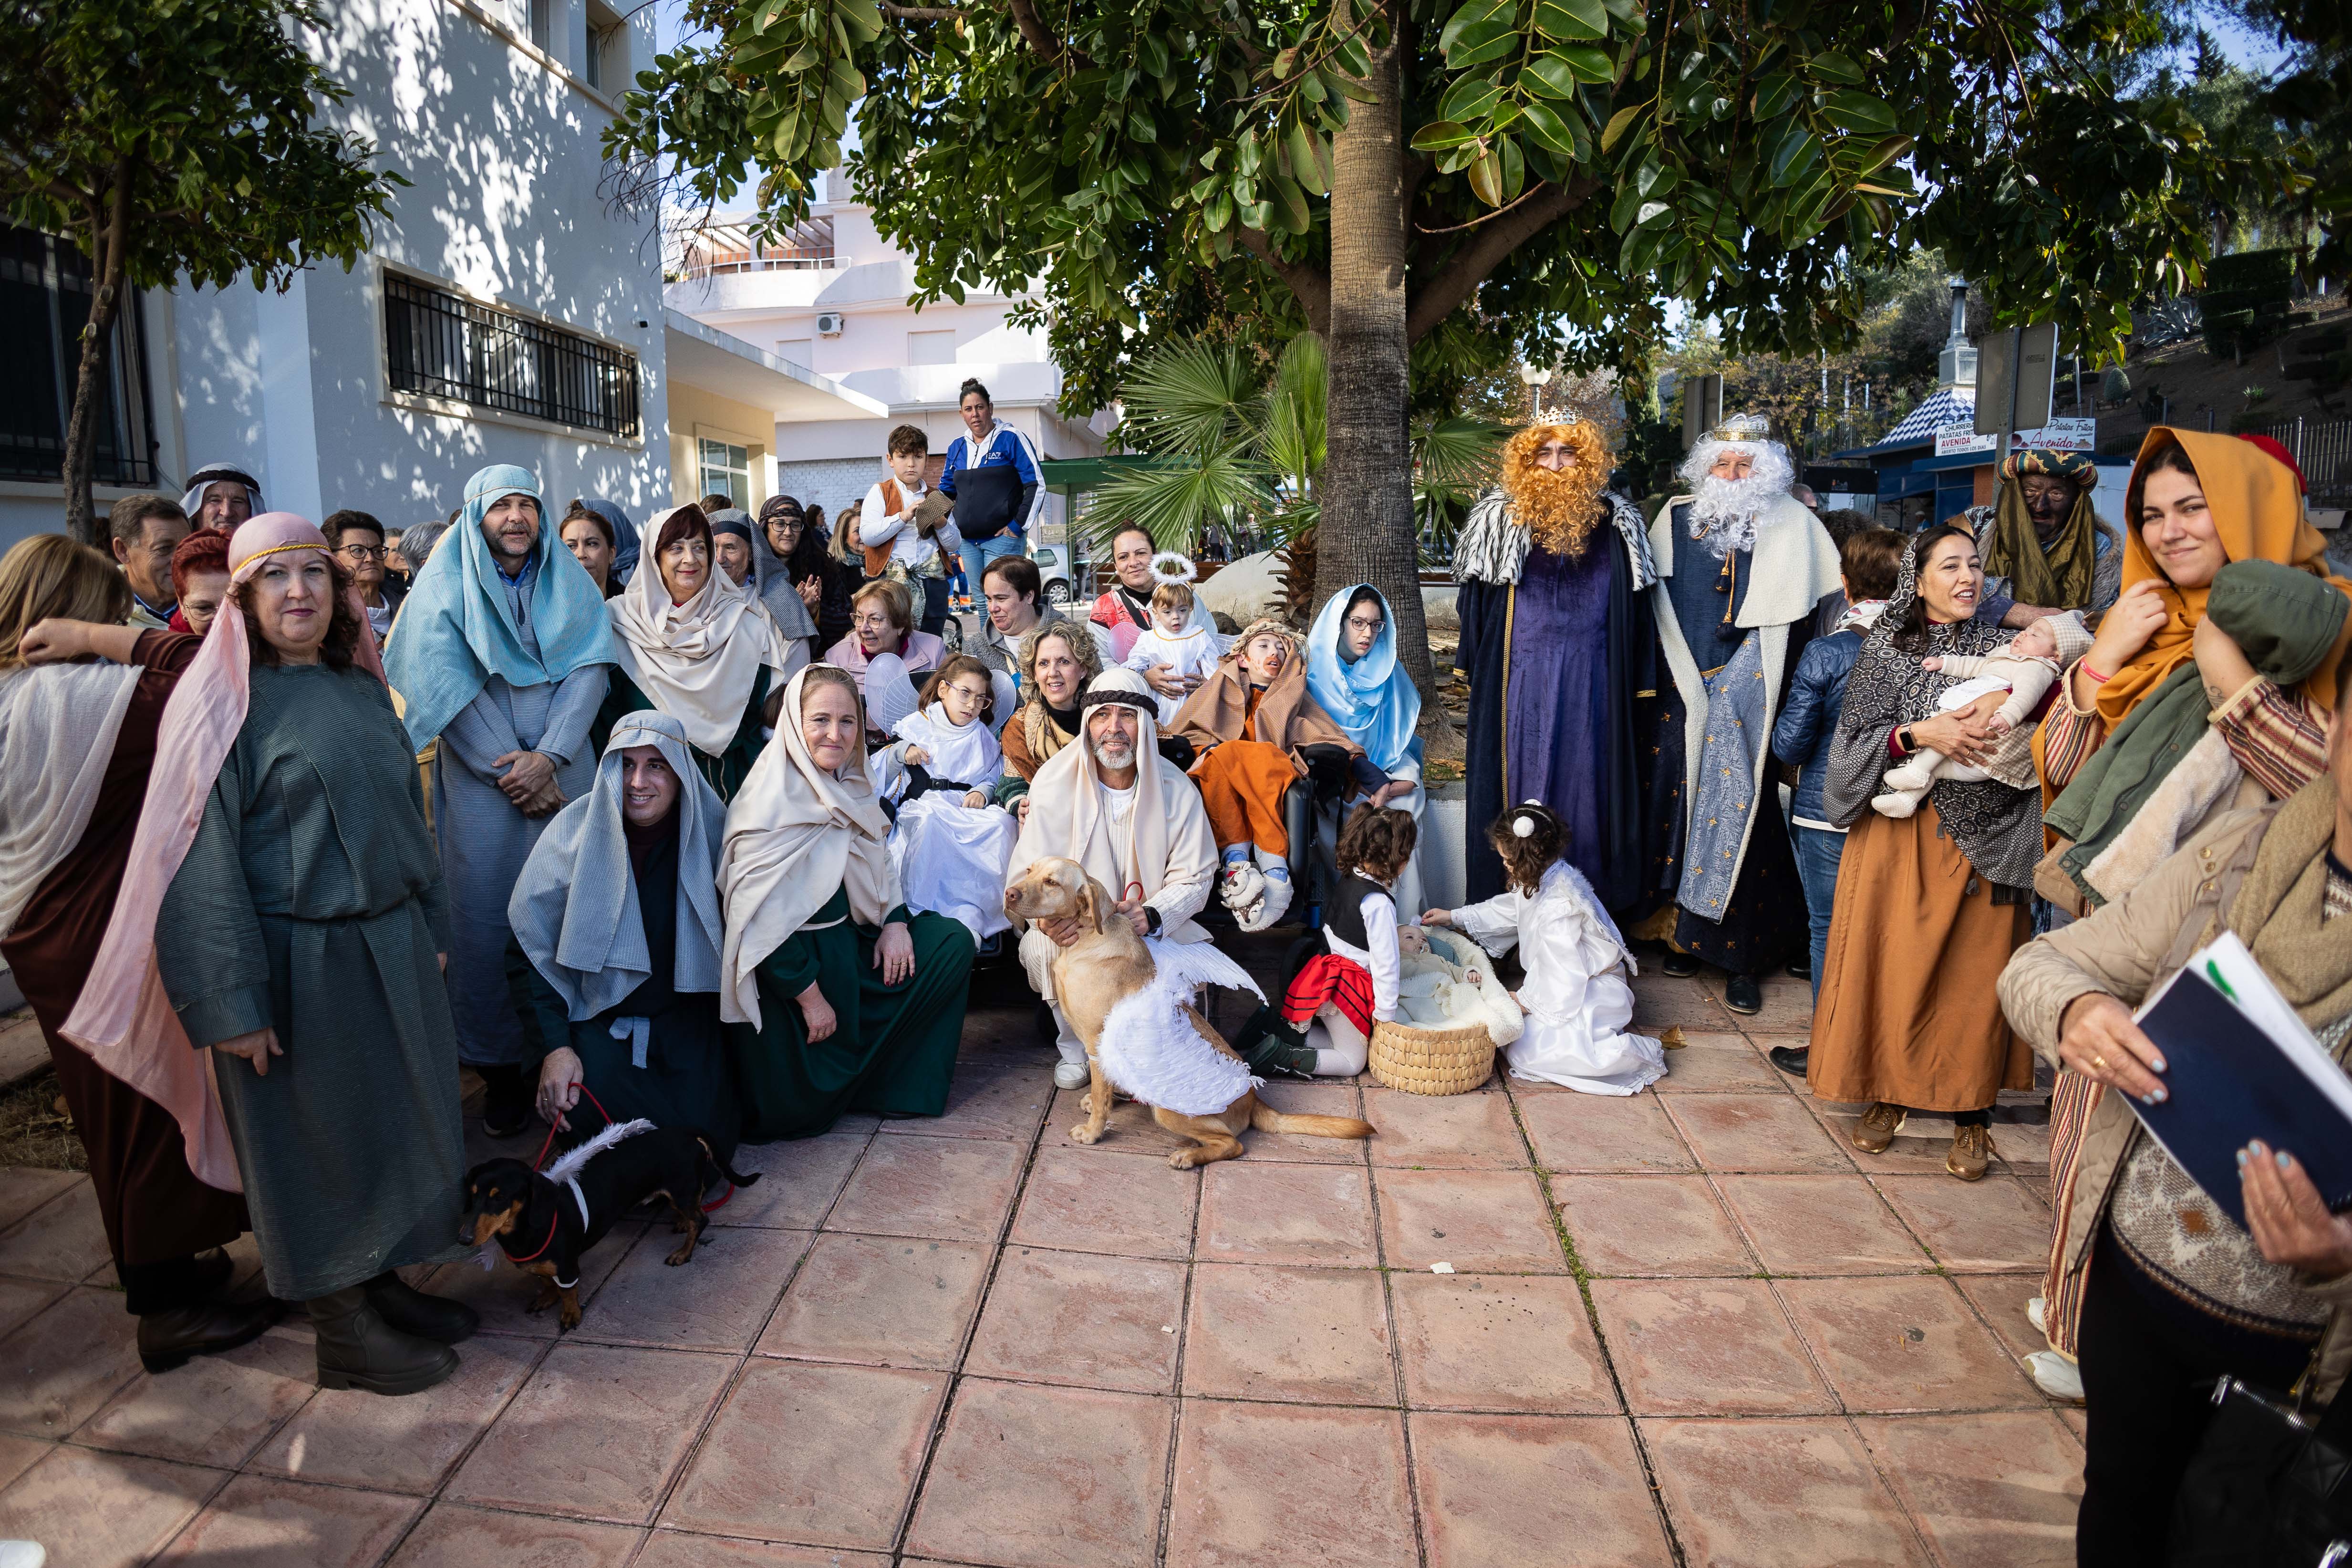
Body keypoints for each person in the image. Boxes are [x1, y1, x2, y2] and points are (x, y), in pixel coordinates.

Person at [73, 513, 475, 1395]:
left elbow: (411, 821)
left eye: (314, 573)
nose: (299, 591)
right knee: (315, 1145)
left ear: (340, 592)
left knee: (391, 1125)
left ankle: (378, 1284)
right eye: (274, 577)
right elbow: (195, 860)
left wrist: (432, 932)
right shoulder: (222, 706)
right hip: (297, 968)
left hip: (390, 945)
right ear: (245, 599)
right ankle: (342, 1328)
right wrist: (231, 1001)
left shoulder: (361, 686)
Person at [1996, 662, 2352, 1566]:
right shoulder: (2239, 850)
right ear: (2335, 728)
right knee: (2120, 1507)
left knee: (2248, 1539)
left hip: (2304, 1351)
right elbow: (2047, 964)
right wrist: (2077, 1012)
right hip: (2138, 1293)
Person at [0, 539, 268, 1374]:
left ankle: (177, 1263)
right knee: (146, 1102)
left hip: (34, 927)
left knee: (110, 1103)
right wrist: (99, 639)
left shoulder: (8, 694)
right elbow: (215, 667)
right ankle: (165, 1306)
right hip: (105, 925)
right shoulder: (101, 693)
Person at [382, 463, 615, 1138]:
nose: (515, 517)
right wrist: (512, 769)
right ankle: (503, 1072)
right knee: (486, 925)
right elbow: (442, 685)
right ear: (476, 515)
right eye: (500, 506)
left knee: (574, 917)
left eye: (526, 504)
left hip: (563, 777)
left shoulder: (566, 580)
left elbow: (589, 668)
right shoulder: (442, 585)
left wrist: (551, 758)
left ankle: (573, 1057)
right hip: (490, 791)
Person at [1806, 524, 2041, 1182]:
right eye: (1949, 566)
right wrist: (1915, 732)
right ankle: (1885, 1092)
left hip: (1985, 837)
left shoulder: (2009, 650)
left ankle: (1970, 1113)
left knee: (1974, 980)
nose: (1965, 577)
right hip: (1898, 836)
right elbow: (1847, 752)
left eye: (1972, 565)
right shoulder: (1884, 651)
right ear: (1917, 580)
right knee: (1894, 969)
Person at [2037, 430, 2352, 913]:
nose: (2167, 533)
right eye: (2151, 516)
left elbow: (2335, 799)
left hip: (2256, 936)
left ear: (2248, 507)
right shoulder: (2141, 623)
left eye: (2191, 508)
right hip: (2120, 933)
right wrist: (2101, 660)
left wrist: (2228, 677)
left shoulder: (2329, 624)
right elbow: (2061, 772)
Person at [1636, 413, 1840, 1016]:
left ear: (1765, 472)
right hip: (1680, 685)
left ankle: (1740, 956)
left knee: (1743, 811)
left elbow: (1818, 613)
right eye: (1721, 464)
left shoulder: (1794, 525)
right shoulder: (1674, 520)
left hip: (1755, 680)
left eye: (1743, 465)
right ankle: (1682, 934)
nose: (1730, 474)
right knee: (1676, 805)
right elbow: (1650, 608)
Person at [719, 665, 975, 1138]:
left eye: (847, 722)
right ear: (794, 724)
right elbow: (756, 921)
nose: (835, 735)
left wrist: (896, 922)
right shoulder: (766, 802)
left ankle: (886, 1083)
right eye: (820, 720)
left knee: (952, 941)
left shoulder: (850, 787)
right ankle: (845, 1080)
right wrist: (811, 999)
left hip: (850, 947)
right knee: (798, 1114)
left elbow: (877, 865)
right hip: (795, 974)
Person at [510, 711, 741, 1169]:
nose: (638, 781)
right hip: (598, 1024)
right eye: (626, 764)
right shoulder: (570, 838)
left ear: (680, 773)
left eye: (655, 765)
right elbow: (528, 953)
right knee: (579, 1106)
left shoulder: (717, 836)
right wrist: (556, 1049)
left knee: (706, 1150)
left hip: (684, 1026)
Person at [1454, 416, 1661, 909]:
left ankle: (1584, 915)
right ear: (1525, 462)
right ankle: (1505, 918)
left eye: (1565, 453)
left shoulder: (1618, 524)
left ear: (1585, 460)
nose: (1553, 464)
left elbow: (1638, 612)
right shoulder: (1498, 520)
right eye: (1541, 454)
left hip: (1593, 687)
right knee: (1514, 789)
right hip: (1517, 687)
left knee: (1588, 791)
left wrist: (1639, 680)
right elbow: (1475, 606)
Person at [1004, 666, 1219, 1089]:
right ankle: (1079, 1050)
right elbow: (1026, 872)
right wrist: (1047, 921)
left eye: (1127, 715)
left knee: (1173, 980)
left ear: (1147, 725)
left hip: (1153, 929)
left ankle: (1144, 1059)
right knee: (1038, 947)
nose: (1114, 728)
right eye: (1102, 715)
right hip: (1077, 928)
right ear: (1088, 723)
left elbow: (1197, 876)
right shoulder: (1052, 782)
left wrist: (1153, 915)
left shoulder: (1177, 789)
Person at [1766, 527, 1904, 1072]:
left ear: (1845, 586)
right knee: (1892, 927)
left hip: (1827, 812)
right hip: (1903, 810)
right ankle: (1889, 1046)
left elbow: (1789, 743)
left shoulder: (1827, 651)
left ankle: (1830, 1046)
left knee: (1827, 928)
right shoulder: (1932, 649)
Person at [1170, 619, 1399, 932]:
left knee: (1261, 755)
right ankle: (1246, 866)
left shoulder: (1293, 698)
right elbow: (1183, 730)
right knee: (1217, 756)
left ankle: (1263, 867)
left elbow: (1325, 734)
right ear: (1242, 658)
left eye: (1281, 647)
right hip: (1218, 777)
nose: (1273, 651)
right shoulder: (1216, 689)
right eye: (1263, 645)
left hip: (1271, 772)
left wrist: (1361, 767)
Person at [1426, 802, 1669, 1096]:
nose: (1504, 864)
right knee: (1516, 1035)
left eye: (1507, 860)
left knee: (1527, 1050)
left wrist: (1526, 1000)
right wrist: (1454, 916)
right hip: (1564, 979)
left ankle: (1631, 1053)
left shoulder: (1559, 905)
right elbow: (1510, 910)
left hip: (1591, 984)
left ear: (1527, 859)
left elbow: (1563, 968)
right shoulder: (1545, 877)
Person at [597, 504, 801, 800]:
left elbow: (758, 724)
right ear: (655, 558)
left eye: (699, 547)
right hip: (641, 794)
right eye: (676, 548)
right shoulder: (619, 623)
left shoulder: (746, 627)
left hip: (725, 788)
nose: (690, 559)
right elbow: (606, 720)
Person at [1871, 611, 2091, 816]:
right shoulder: (2011, 659)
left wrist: (2009, 715)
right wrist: (1945, 663)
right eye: (2027, 629)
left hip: (1986, 746)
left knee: (1953, 729)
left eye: (2034, 634)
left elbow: (2027, 695)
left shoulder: (2037, 667)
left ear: (2055, 656)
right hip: (1977, 764)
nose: (2024, 634)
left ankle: (1915, 772)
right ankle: (1908, 800)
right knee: (1937, 770)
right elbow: (1977, 666)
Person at [870, 654, 1019, 943]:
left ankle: (978, 913)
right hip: (925, 804)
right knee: (929, 823)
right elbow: (879, 771)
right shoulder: (917, 724)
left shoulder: (982, 736)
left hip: (965, 807)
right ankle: (925, 911)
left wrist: (983, 791)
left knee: (1002, 825)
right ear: (943, 690)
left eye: (981, 699)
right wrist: (901, 752)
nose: (972, 704)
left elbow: (992, 775)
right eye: (965, 693)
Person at [1262, 805, 1418, 1079]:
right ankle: (1282, 1058)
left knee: (1346, 1043)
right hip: (1346, 989)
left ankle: (1276, 1031)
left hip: (1323, 973)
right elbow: (1386, 964)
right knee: (1352, 1061)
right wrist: (1386, 1014)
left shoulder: (1352, 877)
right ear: (1399, 860)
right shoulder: (1379, 903)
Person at [1305, 583, 1429, 917]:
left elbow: (1397, 741)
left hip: (1384, 776)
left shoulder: (1388, 672)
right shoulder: (1311, 674)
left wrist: (1403, 780)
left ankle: (1406, 922)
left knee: (1405, 809)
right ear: (1339, 623)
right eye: (1358, 622)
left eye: (1376, 625)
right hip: (1337, 784)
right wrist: (1359, 780)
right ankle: (1354, 920)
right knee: (1350, 818)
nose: (1368, 633)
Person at [1972, 447, 2123, 622]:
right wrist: (2020, 614)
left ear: (2076, 502)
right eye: (2030, 492)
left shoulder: (2101, 549)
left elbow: (2101, 622)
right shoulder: (1978, 528)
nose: (2040, 507)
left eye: (2056, 494)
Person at [938, 378, 1046, 592]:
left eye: (980, 407)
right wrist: (935, 522)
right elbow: (946, 491)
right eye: (968, 409)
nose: (975, 414)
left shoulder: (1011, 438)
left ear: (990, 408)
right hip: (967, 543)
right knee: (982, 605)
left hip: (1003, 541)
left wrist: (1017, 527)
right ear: (962, 414)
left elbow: (1037, 485)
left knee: (1002, 600)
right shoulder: (957, 447)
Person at [859, 425, 962, 637]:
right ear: (890, 460)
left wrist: (941, 524)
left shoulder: (936, 496)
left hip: (932, 583)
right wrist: (903, 516)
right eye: (903, 456)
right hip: (890, 584)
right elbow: (868, 536)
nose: (911, 464)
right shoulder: (880, 491)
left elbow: (954, 545)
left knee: (931, 642)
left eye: (918, 456)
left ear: (926, 458)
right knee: (890, 643)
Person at [995, 620, 1104, 813]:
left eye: (1064, 662)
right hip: (1047, 818)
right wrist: (1020, 805)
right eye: (1043, 664)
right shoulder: (1020, 727)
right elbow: (1013, 785)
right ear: (1034, 673)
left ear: (1083, 669)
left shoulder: (1106, 717)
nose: (1053, 673)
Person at [1088, 525, 1218, 681]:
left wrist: (1206, 681)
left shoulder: (1185, 597)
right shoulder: (1105, 608)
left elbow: (1212, 642)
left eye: (1141, 553)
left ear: (1155, 556)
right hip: (1132, 698)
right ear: (1116, 566)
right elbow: (1101, 661)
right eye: (1123, 557)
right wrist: (1143, 677)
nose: (1133, 563)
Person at [825, 579, 944, 740]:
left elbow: (945, 711)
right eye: (859, 618)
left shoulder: (933, 650)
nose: (863, 629)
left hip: (921, 744)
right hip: (861, 748)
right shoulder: (838, 657)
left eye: (875, 620)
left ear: (901, 624)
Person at [970, 553, 1074, 717]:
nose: (992, 608)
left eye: (1001, 599)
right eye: (989, 599)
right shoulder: (976, 647)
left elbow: (1095, 691)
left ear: (1028, 596)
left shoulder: (1071, 636)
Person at [1121, 576, 1226, 724]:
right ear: (1156, 613)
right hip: (1162, 701)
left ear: (1190, 610)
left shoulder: (1199, 636)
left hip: (1194, 700)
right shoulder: (1149, 639)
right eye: (1167, 612)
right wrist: (1145, 674)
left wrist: (1207, 684)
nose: (1176, 617)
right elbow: (1133, 667)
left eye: (1182, 610)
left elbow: (1214, 668)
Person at [749, 494, 824, 655]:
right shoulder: (749, 569)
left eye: (795, 525)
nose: (788, 532)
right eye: (780, 524)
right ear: (764, 527)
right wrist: (788, 608)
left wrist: (812, 612)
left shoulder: (822, 566)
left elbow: (841, 616)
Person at [110, 494, 192, 630]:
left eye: (187, 547)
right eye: (164, 548)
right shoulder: (96, 612)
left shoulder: (216, 603)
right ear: (123, 550)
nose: (181, 559)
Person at [325, 509, 404, 642]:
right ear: (333, 558)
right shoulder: (326, 618)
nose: (371, 558)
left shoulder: (407, 609)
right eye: (358, 550)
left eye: (378, 551)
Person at [165, 527, 233, 637]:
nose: (220, 622)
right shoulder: (169, 652)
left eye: (232, 606)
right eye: (204, 608)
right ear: (182, 605)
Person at [558, 499, 623, 598]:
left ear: (611, 554)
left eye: (591, 544)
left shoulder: (630, 607)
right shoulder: (544, 605)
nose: (581, 554)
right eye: (571, 546)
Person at [179, 462, 260, 532]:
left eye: (237, 502)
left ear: (251, 509)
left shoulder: (268, 550)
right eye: (215, 501)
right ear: (195, 510)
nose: (227, 513)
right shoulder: (176, 550)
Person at [708, 508, 758, 587]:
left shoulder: (775, 595)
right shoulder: (698, 595)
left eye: (730, 548)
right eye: (714, 548)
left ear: (752, 552)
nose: (720, 559)